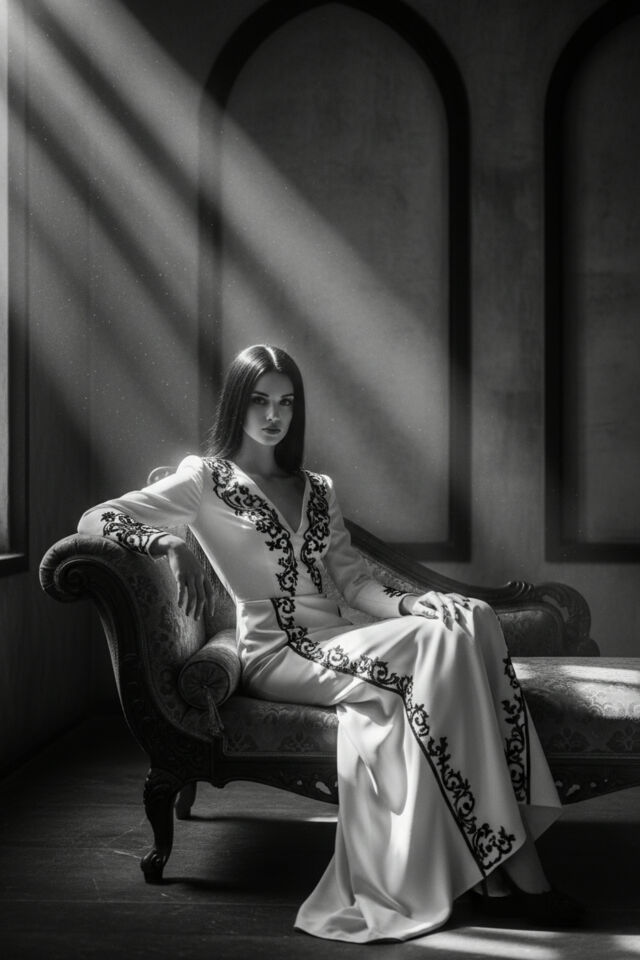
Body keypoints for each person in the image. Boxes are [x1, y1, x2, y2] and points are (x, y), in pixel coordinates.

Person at [78, 343, 580, 943]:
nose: (274, 415)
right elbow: (96, 518)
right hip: (278, 649)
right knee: (437, 648)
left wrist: (413, 603)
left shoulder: (316, 488)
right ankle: (516, 864)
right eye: (260, 401)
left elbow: (356, 582)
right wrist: (168, 543)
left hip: (341, 637)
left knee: (469, 619)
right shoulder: (205, 479)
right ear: (237, 404)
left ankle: (492, 859)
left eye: (286, 402)